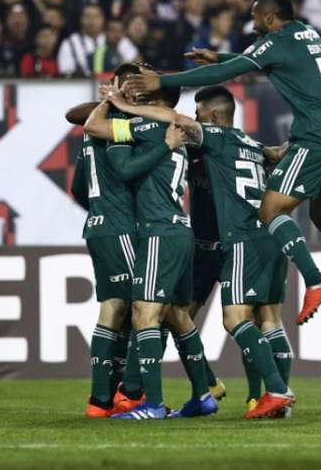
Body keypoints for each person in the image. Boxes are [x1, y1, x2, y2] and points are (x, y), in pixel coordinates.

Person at [124, 0, 321, 331]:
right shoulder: (306, 34)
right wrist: (221, 57)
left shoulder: (277, 40)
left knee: (269, 211)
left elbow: (229, 74)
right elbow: (268, 59)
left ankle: (315, 279)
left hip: (315, 139)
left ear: (269, 16)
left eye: (254, 17)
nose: (252, 23)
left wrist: (162, 79)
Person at [105, 85, 296, 419]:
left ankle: (265, 394)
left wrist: (120, 105)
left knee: (238, 317)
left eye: (198, 114)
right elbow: (269, 151)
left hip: (232, 243)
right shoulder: (237, 144)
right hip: (214, 248)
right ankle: (204, 387)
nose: (192, 120)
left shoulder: (210, 140)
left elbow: (179, 122)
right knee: (179, 317)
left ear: (213, 116)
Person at [82, 84, 217, 421]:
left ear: (155, 101)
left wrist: (113, 101)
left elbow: (93, 128)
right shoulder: (176, 126)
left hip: (158, 230)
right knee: (176, 315)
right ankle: (203, 394)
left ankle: (152, 404)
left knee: (143, 312)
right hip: (181, 230)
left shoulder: (149, 127)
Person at [68, 63, 181, 418]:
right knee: (147, 309)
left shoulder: (95, 127)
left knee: (115, 310)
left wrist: (100, 207)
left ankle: (101, 399)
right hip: (121, 227)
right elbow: (125, 170)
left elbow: (77, 188)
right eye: (131, 82)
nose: (138, 87)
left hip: (98, 225)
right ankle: (128, 394)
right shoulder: (123, 126)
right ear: (120, 87)